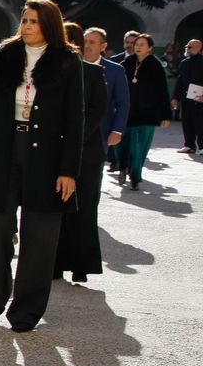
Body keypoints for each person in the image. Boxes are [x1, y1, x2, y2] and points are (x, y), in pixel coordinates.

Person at [0, 0, 83, 332]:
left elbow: (74, 119)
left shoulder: (66, 61)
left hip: (47, 158)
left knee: (40, 239)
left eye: (34, 21)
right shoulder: (6, 55)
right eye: (25, 20)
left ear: (49, 24)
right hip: (4, 153)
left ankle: (26, 311)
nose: (27, 26)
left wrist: (68, 171)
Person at [55, 22, 111, 285]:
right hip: (56, 152)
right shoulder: (50, 74)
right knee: (57, 212)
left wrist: (73, 139)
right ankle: (55, 264)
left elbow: (98, 111)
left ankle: (82, 266)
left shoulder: (93, 73)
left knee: (85, 209)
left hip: (86, 154)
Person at [118, 33, 171, 191]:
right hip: (127, 112)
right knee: (122, 144)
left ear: (150, 48)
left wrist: (166, 115)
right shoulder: (126, 63)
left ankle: (135, 177)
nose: (138, 47)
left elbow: (163, 91)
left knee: (139, 147)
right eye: (136, 44)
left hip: (148, 113)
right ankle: (122, 167)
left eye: (142, 44)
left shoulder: (155, 66)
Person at [173, 38, 203, 154]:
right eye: (187, 47)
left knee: (200, 123)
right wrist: (175, 97)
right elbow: (180, 81)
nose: (187, 49)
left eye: (190, 47)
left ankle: (202, 146)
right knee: (186, 121)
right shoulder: (184, 63)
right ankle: (189, 145)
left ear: (198, 48)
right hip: (186, 97)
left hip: (200, 98)